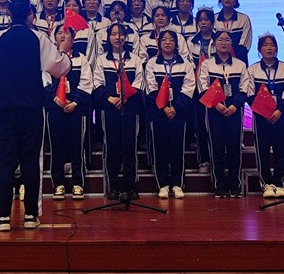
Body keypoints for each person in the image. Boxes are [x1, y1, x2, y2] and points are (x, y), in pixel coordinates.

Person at [0, 0, 72, 232]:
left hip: (4, 109)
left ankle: (3, 217)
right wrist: (64, 50)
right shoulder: (39, 38)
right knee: (31, 161)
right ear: (30, 14)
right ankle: (30, 216)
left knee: (5, 161)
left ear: (7, 13)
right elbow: (60, 69)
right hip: (31, 109)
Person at [93, 22, 145, 200]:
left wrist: (125, 98)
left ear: (126, 37)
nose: (117, 37)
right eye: (113, 34)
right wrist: (110, 98)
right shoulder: (102, 60)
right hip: (109, 107)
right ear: (108, 38)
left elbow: (139, 82)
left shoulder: (135, 59)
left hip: (130, 107)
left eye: (121, 34)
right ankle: (113, 185)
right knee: (111, 146)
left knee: (130, 146)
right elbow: (97, 83)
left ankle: (131, 185)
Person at [197, 30, 250, 198]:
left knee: (235, 148)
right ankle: (219, 185)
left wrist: (235, 105)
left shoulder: (240, 65)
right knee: (216, 148)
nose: (224, 42)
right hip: (214, 111)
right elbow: (202, 86)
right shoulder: (207, 64)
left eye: (227, 40)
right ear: (214, 43)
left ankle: (235, 185)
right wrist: (217, 105)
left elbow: (245, 87)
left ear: (231, 43)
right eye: (220, 39)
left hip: (235, 111)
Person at [145, 30, 195, 199]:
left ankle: (178, 184)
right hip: (159, 112)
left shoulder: (185, 64)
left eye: (171, 40)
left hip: (178, 113)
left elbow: (189, 88)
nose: (167, 42)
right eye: (164, 40)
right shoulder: (152, 63)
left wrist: (176, 108)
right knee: (160, 148)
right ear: (159, 43)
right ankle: (163, 185)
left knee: (177, 148)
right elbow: (150, 87)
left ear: (176, 43)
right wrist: (164, 107)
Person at [44, 25, 93, 201]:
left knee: (76, 147)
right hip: (55, 109)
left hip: (76, 110)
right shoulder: (49, 59)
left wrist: (75, 102)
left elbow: (86, 83)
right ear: (55, 37)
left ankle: (78, 183)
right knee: (57, 147)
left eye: (66, 33)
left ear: (73, 39)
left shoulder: (81, 58)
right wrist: (56, 99)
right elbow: (45, 82)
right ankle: (58, 184)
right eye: (59, 33)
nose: (63, 36)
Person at [247, 33, 284, 199]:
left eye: (272, 45)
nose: (269, 48)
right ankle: (266, 184)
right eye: (265, 45)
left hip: (280, 116)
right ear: (259, 49)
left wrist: (279, 111)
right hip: (261, 117)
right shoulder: (252, 70)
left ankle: (279, 184)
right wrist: (264, 111)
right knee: (262, 150)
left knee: (281, 150)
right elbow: (249, 94)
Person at [189, 7, 217, 174]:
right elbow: (188, 63)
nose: (203, 22)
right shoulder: (191, 42)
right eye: (200, 20)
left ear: (212, 22)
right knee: (201, 125)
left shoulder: (220, 39)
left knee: (216, 126)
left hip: (217, 88)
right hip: (198, 88)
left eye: (207, 19)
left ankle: (217, 160)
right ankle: (203, 160)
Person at [214, 0, 252, 65]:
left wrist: (233, 59)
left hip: (239, 61)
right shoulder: (214, 19)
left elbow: (245, 44)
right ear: (220, 0)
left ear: (236, 1)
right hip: (217, 61)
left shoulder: (244, 19)